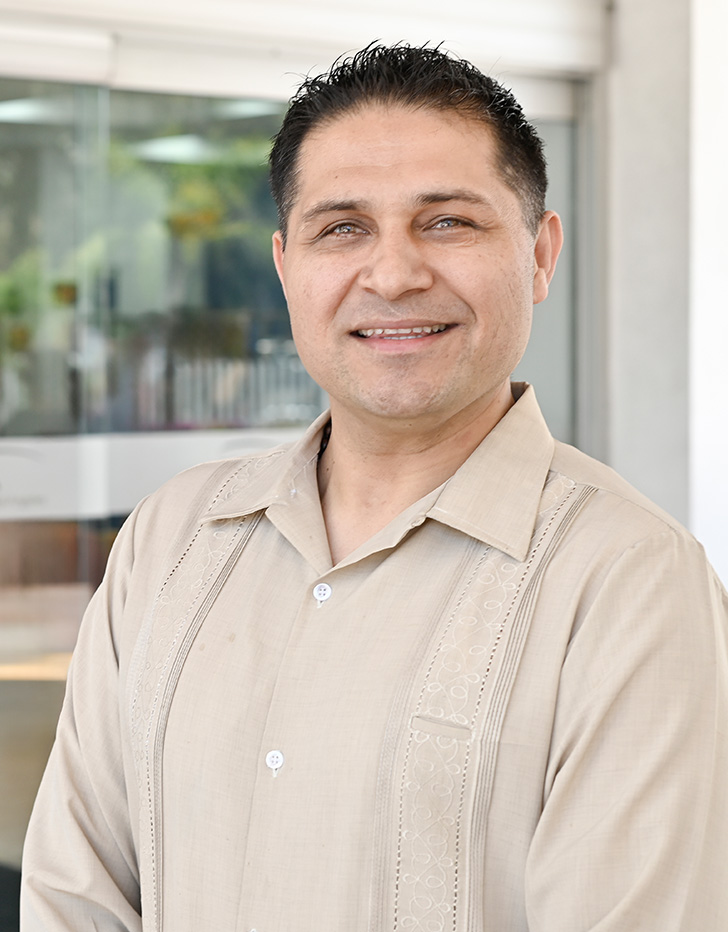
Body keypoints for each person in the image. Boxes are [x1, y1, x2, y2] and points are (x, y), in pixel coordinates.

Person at [21, 44, 728, 932]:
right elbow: (73, 897)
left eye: (448, 222)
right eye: (343, 228)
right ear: (286, 267)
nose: (393, 275)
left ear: (540, 255)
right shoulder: (171, 538)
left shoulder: (630, 582)